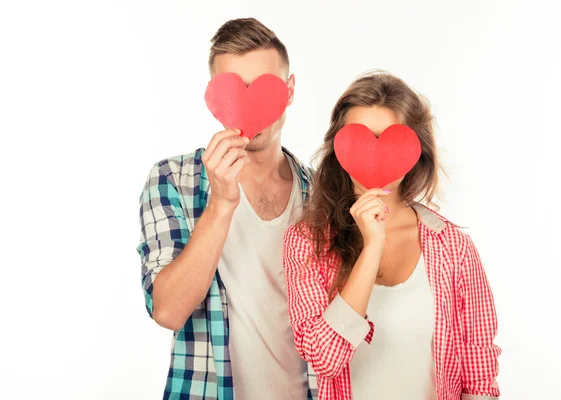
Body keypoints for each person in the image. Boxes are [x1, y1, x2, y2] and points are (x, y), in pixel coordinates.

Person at [283, 72, 501, 400]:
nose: (373, 158)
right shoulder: (307, 242)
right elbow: (324, 359)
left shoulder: (453, 247)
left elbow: (479, 370)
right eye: (359, 141)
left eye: (389, 142)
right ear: (338, 151)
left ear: (415, 152)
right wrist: (372, 247)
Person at [137, 18, 316, 400]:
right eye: (237, 89)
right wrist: (220, 203)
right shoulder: (172, 179)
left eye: (265, 87)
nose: (251, 103)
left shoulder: (320, 193)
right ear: (213, 97)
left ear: (290, 90)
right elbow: (167, 310)